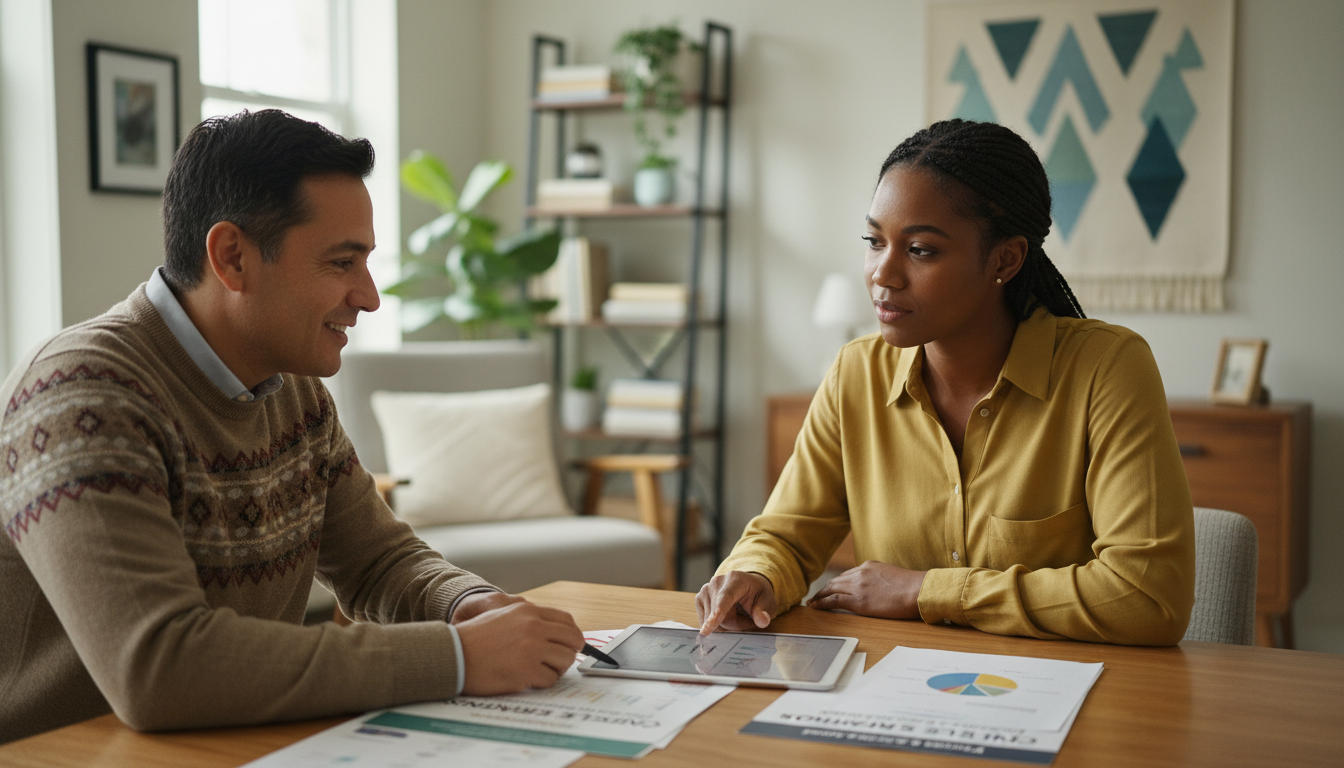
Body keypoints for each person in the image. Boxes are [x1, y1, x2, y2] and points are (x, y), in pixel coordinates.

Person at [0, 110, 584, 745]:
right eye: (342, 262)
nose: (369, 296)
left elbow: (379, 562)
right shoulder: (81, 393)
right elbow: (159, 665)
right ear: (232, 257)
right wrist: (458, 658)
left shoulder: (294, 391)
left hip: (228, 745)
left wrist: (466, 605)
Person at [698, 119, 1195, 646]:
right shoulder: (855, 374)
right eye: (874, 241)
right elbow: (785, 535)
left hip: (1060, 685)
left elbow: (1147, 596)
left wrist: (925, 591)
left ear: (1005, 259)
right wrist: (755, 575)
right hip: (892, 682)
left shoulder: (1106, 368)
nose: (882, 274)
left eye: (920, 250)